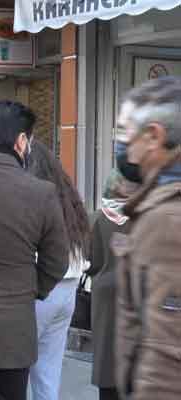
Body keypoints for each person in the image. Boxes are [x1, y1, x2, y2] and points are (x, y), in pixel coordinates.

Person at [0, 101, 69, 400]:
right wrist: (31, 290)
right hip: (13, 325)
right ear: (21, 141)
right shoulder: (41, 193)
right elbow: (57, 261)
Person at [113, 76, 181, 399]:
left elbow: (165, 350)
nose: (122, 144)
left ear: (154, 135)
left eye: (125, 131)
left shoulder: (165, 218)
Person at [27, 140, 91, 400]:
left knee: (14, 373)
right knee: (48, 374)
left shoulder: (32, 193)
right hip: (68, 291)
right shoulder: (67, 194)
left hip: (40, 287)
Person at [86, 170, 138, 400]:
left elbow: (91, 262)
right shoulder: (141, 219)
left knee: (106, 356)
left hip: (104, 295)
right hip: (135, 292)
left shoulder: (95, 218)